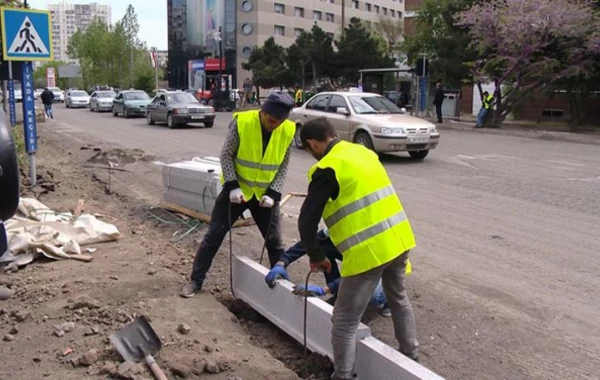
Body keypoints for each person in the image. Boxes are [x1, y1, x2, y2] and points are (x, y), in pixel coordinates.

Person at [298, 117, 419, 379]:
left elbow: (306, 222)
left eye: (309, 150)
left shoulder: (327, 168)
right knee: (398, 297)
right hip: (398, 239)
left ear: (312, 144)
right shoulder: (362, 151)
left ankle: (342, 376)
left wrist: (318, 257)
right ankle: (410, 357)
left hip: (369, 252)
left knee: (344, 322)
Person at [179, 93, 296, 298]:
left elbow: (283, 163)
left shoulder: (287, 129)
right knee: (214, 235)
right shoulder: (242, 122)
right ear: (263, 112)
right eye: (271, 120)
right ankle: (195, 281)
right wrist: (233, 185)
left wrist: (274, 192)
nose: (275, 125)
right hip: (237, 191)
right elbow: (226, 154)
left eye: (279, 122)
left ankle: (284, 289)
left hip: (264, 196)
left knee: (275, 243)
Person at [264, 228, 396, 317]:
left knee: (373, 296)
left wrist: (324, 290)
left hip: (382, 267)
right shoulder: (334, 231)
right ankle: (339, 295)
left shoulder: (361, 242)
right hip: (358, 263)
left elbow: (357, 275)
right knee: (325, 250)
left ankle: (388, 300)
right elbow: (308, 243)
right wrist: (282, 262)